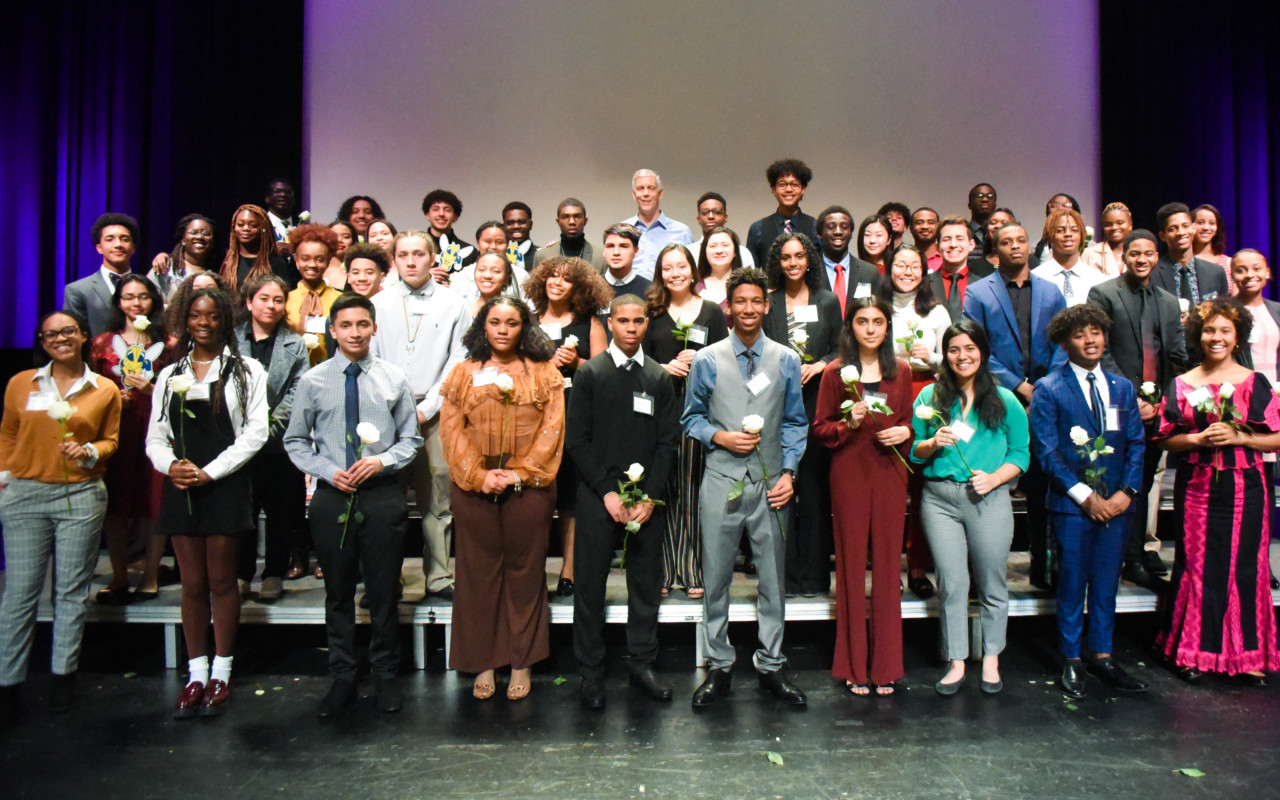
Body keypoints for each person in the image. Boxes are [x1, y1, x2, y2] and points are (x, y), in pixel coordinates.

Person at [284, 293, 422, 716]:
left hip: (381, 495)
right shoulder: (313, 381)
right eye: (346, 326)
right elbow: (294, 441)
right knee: (338, 592)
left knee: (382, 592)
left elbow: (411, 440)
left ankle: (384, 674)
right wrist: (327, 470)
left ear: (374, 328)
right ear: (333, 330)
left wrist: (381, 460)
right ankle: (342, 675)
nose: (355, 332)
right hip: (331, 496)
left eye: (363, 324)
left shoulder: (393, 378)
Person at [684, 267, 808, 707]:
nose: (749, 309)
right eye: (741, 302)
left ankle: (771, 664)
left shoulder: (786, 359)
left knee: (773, 580)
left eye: (757, 301)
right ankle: (719, 666)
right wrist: (720, 437)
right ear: (729, 307)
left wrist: (789, 473)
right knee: (716, 578)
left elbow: (795, 422)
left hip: (771, 485)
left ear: (766, 306)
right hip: (720, 481)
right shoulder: (706, 359)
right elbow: (691, 418)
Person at [146, 287, 268, 718]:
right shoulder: (169, 373)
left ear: (224, 321)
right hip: (181, 486)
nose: (203, 322)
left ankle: (222, 669)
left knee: (221, 582)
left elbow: (256, 432)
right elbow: (156, 436)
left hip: (223, 484)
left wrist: (210, 471)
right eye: (196, 315)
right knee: (191, 584)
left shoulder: (246, 370)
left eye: (212, 316)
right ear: (185, 320)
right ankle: (195, 672)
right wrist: (171, 466)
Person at [440, 296, 564, 701]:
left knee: (525, 574)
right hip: (475, 484)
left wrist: (520, 473)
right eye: (495, 322)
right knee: (478, 573)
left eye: (512, 322)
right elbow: (452, 430)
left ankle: (521, 661)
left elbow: (553, 428)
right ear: (483, 326)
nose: (503, 329)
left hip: (528, 484)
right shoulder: (463, 372)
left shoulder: (544, 373)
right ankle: (484, 661)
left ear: (524, 327)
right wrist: (478, 476)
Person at [0, 310, 121, 723]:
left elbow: (111, 441)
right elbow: (8, 431)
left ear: (84, 336)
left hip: (81, 495)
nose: (60, 338)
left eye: (68, 331)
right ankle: (8, 683)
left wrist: (88, 452)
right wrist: (4, 476)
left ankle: (62, 676)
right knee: (19, 595)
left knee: (70, 592)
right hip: (25, 495)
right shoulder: (22, 382)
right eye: (50, 334)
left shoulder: (104, 388)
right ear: (43, 341)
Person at [1155, 297, 1280, 683]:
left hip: (1247, 489)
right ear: (1198, 334)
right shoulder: (1180, 383)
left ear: (1237, 335)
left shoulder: (1253, 382)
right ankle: (1192, 653)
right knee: (1197, 568)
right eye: (1209, 329)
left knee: (1246, 568)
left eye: (1225, 330)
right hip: (1197, 489)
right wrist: (1197, 440)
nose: (1217, 337)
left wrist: (1239, 436)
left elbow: (1276, 438)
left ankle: (1248, 654)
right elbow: (1164, 440)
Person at [1029, 305, 1149, 699]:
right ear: (1065, 343)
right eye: (1080, 334)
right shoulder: (1050, 388)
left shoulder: (1122, 388)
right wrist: (1085, 497)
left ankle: (1102, 654)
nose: (1090, 339)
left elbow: (1135, 443)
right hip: (1073, 507)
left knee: (1105, 584)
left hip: (1117, 505)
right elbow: (1047, 453)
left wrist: (1125, 494)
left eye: (1096, 331)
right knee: (1072, 583)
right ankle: (1071, 659)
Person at [568, 294, 680, 709]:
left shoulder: (658, 378)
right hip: (600, 496)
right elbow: (577, 441)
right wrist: (607, 492)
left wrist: (649, 496)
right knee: (590, 589)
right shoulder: (591, 374)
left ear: (647, 324)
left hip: (645, 500)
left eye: (638, 321)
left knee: (645, 586)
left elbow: (668, 442)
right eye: (623, 321)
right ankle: (591, 674)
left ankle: (642, 666)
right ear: (609, 323)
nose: (631, 328)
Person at [911, 320, 1029, 695]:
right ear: (945, 355)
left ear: (982, 351)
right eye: (954, 350)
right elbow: (915, 449)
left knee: (992, 581)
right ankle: (957, 659)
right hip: (940, 500)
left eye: (969, 348)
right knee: (952, 583)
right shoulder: (930, 398)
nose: (962, 356)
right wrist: (933, 443)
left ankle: (991, 657)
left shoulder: (1006, 399)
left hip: (988, 498)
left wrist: (995, 479)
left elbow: (1021, 453)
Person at [813, 295, 913, 693]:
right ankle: (854, 665)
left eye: (877, 322)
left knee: (889, 568)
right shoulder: (835, 373)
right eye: (862, 322)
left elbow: (907, 421)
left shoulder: (901, 371)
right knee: (852, 567)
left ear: (887, 328)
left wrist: (906, 431)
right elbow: (819, 428)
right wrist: (846, 423)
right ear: (850, 327)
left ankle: (886, 665)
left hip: (889, 472)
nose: (870, 329)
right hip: (850, 472)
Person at [963, 222, 1067, 590]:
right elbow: (975, 347)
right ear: (996, 249)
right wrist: (1018, 386)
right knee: (992, 485)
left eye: (1021, 240)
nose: (1015, 247)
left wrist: (1042, 388)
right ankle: (986, 574)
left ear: (1029, 245)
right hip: (997, 397)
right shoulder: (977, 292)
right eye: (1006, 242)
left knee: (1041, 487)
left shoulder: (1052, 291)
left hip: (1045, 398)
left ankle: (1043, 567)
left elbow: (1062, 343)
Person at [371, 230, 469, 600]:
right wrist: (395, 407)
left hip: (436, 410)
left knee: (438, 496)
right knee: (387, 503)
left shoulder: (454, 303)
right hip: (387, 412)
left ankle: (440, 576)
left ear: (433, 259)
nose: (411, 262)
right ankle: (386, 580)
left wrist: (428, 407)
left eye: (418, 254)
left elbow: (459, 359)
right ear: (393, 260)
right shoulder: (378, 304)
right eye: (403, 255)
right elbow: (372, 358)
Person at [1087, 230, 1188, 588]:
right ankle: (1119, 556)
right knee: (1118, 479)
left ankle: (1135, 553)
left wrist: (1164, 401)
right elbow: (1101, 351)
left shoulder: (1168, 301)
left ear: (1156, 257)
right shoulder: (1104, 293)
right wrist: (1134, 398)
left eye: (1148, 254)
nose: (1141, 260)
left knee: (1143, 482)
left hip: (1158, 409)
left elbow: (1176, 356)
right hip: (1118, 405)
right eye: (1134, 254)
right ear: (1124, 257)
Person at [644, 243, 729, 599]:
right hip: (660, 413)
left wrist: (703, 362)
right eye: (668, 268)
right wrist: (663, 368)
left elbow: (728, 361)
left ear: (693, 270)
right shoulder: (651, 311)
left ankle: (693, 567)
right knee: (663, 491)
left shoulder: (710, 311)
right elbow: (637, 359)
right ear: (660, 273)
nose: (675, 273)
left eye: (682, 267)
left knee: (694, 493)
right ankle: (665, 568)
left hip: (700, 414)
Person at [523, 256, 610, 596]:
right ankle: (532, 571)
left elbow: (604, 375)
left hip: (575, 415)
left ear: (579, 287)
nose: (557, 283)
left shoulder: (590, 324)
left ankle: (568, 570)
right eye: (552, 276)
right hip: (533, 417)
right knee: (535, 496)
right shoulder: (527, 322)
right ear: (541, 281)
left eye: (566, 279)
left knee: (571, 497)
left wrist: (577, 362)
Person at [762, 233, 841, 597]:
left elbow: (842, 347)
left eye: (798, 256)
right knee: (781, 492)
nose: (792, 263)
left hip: (818, 401)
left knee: (813, 490)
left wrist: (822, 364)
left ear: (808, 260)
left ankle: (813, 576)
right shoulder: (770, 302)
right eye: (785, 258)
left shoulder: (827, 301)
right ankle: (786, 577)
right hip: (777, 404)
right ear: (777, 263)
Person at [89, 274, 171, 604]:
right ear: (119, 302)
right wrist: (111, 397)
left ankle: (150, 576)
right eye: (128, 297)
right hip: (117, 430)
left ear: (153, 301)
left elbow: (178, 393)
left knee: (154, 502)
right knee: (117, 503)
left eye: (143, 296)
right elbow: (90, 389)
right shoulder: (102, 344)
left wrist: (151, 390)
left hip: (156, 428)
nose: (136, 303)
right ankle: (120, 575)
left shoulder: (170, 342)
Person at [882, 245, 952, 597]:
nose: (907, 271)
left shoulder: (937, 311)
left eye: (914, 266)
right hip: (887, 392)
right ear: (889, 268)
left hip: (924, 393)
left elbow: (952, 358)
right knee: (890, 485)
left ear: (924, 272)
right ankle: (887, 565)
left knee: (923, 486)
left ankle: (919, 564)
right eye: (900, 265)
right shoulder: (876, 305)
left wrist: (933, 356)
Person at [235, 274, 309, 602]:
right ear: (250, 302)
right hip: (237, 439)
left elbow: (299, 388)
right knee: (243, 509)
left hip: (280, 439)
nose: (271, 305)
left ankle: (274, 573)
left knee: (281, 509)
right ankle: (241, 573)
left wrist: (270, 420)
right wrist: (248, 422)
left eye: (278, 300)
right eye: (264, 298)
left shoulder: (295, 343)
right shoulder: (229, 339)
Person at [1231, 248, 1280, 592]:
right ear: (1231, 275)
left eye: (1256, 269)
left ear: (1267, 273)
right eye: (1241, 270)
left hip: (1274, 410)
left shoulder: (1277, 311)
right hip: (1239, 410)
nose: (1249, 275)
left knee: (1265, 495)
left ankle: (1261, 565)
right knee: (1241, 495)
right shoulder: (1225, 312)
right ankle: (1236, 564)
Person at [65, 213, 140, 336]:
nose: (118, 244)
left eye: (125, 239)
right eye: (110, 239)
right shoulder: (78, 290)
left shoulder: (148, 287)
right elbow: (74, 335)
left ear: (133, 248)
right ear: (99, 248)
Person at [1149, 202, 1230, 305]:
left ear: (1193, 228)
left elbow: (1223, 313)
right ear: (1162, 236)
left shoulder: (1216, 272)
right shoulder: (1153, 275)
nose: (1181, 232)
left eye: (1185, 226)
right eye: (1172, 229)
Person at [286, 224, 343, 365]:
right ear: (296, 260)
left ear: (329, 261)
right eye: (305, 259)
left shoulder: (339, 300)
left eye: (319, 259)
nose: (312, 265)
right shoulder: (285, 300)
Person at [746, 159, 818, 268]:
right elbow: (751, 273)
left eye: (794, 184)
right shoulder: (757, 228)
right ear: (774, 189)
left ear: (803, 189)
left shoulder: (815, 227)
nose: (788, 189)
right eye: (782, 184)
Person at [625, 169, 695, 280]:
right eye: (640, 189)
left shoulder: (682, 232)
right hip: (630, 296)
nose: (645, 193)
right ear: (634, 195)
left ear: (660, 193)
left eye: (651, 188)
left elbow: (691, 273)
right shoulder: (623, 230)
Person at [814, 206, 883, 319]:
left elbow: (880, 313)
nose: (838, 232)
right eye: (831, 227)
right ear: (819, 234)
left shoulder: (870, 272)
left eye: (844, 227)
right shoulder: (809, 271)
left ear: (851, 234)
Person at [1031, 207, 1107, 306]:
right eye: (1060, 230)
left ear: (1082, 236)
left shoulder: (1098, 280)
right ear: (1050, 237)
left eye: (1074, 230)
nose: (1068, 234)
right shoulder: (1036, 278)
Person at [218, 204, 298, 294]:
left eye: (253, 225)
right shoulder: (227, 261)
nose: (246, 228)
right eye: (240, 225)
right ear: (234, 228)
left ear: (263, 229)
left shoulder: (275, 263)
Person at [927, 216, 993, 323]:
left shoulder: (984, 286)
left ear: (971, 245)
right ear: (937, 246)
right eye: (946, 239)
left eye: (959, 238)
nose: (953, 245)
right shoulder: (924, 284)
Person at [451, 221, 529, 304]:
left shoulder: (521, 276)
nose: (493, 247)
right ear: (478, 243)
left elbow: (530, 311)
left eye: (499, 242)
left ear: (507, 245)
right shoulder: (462, 277)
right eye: (487, 242)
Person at [148, 214, 218, 300]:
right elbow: (147, 298)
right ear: (183, 240)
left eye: (206, 233)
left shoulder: (216, 274)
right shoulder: (165, 267)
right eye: (193, 232)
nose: (200, 237)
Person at [532, 198, 605, 271]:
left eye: (577, 216)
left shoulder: (600, 257)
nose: (572, 222)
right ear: (558, 222)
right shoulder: (542, 256)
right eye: (565, 217)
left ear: (585, 221)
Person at [689, 192, 755, 269]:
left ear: (725, 217)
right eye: (705, 212)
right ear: (698, 219)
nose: (711, 216)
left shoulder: (742, 253)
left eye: (717, 212)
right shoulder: (689, 252)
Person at [421, 188, 475, 275]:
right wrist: (424, 276)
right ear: (427, 215)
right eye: (436, 209)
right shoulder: (416, 247)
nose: (441, 214)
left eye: (447, 210)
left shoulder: (468, 251)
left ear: (455, 217)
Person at [600, 223, 650, 307]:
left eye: (623, 246)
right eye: (610, 246)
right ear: (604, 251)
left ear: (636, 251)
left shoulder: (650, 291)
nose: (616, 252)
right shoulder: (590, 289)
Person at [695, 226, 744, 310]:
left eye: (725, 245)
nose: (719, 251)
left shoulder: (745, 285)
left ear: (735, 251)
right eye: (713, 246)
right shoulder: (695, 287)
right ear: (705, 251)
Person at [1081, 202, 1132, 278]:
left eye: (1120, 223)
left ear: (1130, 225)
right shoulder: (1089, 253)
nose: (1114, 227)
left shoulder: (1140, 253)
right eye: (1108, 224)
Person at [1031, 194, 1083, 265]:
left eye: (1066, 205)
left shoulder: (1090, 248)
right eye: (1055, 205)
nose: (1060, 208)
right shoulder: (1036, 247)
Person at [1191, 203, 1232, 273]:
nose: (1206, 228)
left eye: (1212, 223)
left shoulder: (1229, 263)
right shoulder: (1183, 262)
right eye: (1200, 223)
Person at [501, 201, 538, 272]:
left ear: (530, 225)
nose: (516, 226)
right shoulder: (496, 255)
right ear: (504, 226)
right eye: (510, 223)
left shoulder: (541, 255)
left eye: (521, 222)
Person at [324, 221, 357, 289]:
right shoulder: (319, 266)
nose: (339, 240)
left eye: (346, 237)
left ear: (353, 242)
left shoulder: (358, 268)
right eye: (334, 236)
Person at [967, 183, 998, 251]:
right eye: (979, 196)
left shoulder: (1001, 234)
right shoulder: (963, 233)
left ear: (995, 205)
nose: (985, 199)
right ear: (969, 204)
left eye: (990, 196)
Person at [910, 207, 941, 271]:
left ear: (939, 228)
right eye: (919, 223)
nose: (925, 227)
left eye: (931, 222)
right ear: (911, 229)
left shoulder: (947, 258)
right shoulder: (903, 258)